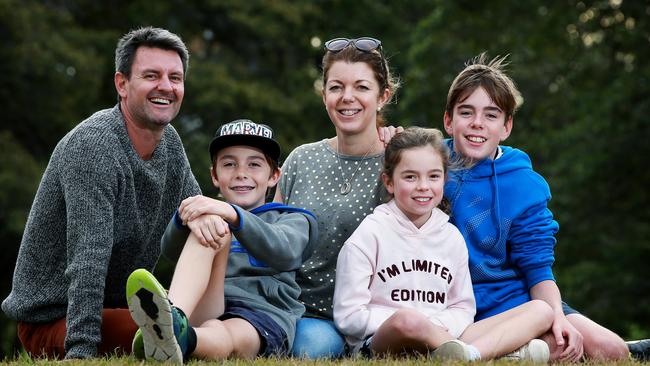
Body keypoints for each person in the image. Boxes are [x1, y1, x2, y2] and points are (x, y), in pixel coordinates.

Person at [1, 27, 200, 359]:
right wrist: (82, 352)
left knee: (192, 323)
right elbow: (87, 259)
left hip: (120, 307)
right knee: (172, 334)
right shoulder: (93, 146)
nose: (166, 86)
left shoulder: (171, 145)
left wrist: (220, 216)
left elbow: (194, 214)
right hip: (55, 319)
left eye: (175, 78)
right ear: (122, 84)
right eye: (152, 75)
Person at [442, 52, 632, 361]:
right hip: (459, 304)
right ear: (448, 120)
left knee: (611, 350)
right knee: (552, 348)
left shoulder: (525, 185)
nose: (477, 124)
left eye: (491, 115)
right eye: (467, 112)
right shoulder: (429, 167)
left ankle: (526, 345)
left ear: (506, 126)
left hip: (518, 301)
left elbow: (538, 270)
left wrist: (556, 316)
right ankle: (512, 349)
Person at [333, 127, 551, 362]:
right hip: (381, 340)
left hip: (444, 335)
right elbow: (349, 316)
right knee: (407, 319)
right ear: (389, 182)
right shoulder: (370, 234)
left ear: (445, 179)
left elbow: (463, 308)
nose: (423, 186)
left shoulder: (451, 237)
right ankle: (492, 355)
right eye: (410, 177)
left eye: (433, 176)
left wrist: (435, 327)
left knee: (541, 310)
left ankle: (469, 355)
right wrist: (421, 324)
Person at [126, 119, 318, 364]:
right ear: (215, 175)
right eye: (229, 164)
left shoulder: (293, 219)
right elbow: (170, 251)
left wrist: (233, 214)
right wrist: (186, 217)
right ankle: (174, 317)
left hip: (259, 315)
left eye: (254, 164)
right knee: (210, 225)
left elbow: (284, 250)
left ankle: (183, 338)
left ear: (274, 175)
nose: (241, 173)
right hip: (207, 302)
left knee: (223, 331)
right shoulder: (211, 216)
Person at [274, 37, 400, 358]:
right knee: (309, 348)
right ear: (325, 95)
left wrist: (405, 155)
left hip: (373, 316)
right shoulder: (301, 160)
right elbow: (273, 240)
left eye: (361, 87)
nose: (347, 98)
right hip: (306, 312)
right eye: (336, 87)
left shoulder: (399, 161)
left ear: (382, 96)